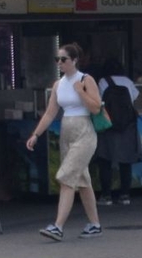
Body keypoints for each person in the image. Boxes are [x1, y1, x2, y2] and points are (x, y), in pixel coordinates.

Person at [25, 43, 105, 240]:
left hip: (84, 132)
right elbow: (51, 112)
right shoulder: (58, 84)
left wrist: (81, 92)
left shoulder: (86, 80)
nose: (60, 63)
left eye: (63, 59)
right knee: (82, 179)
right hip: (66, 133)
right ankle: (95, 224)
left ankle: (58, 226)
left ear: (75, 60)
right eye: (57, 60)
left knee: (66, 176)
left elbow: (96, 108)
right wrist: (36, 134)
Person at [95, 62, 141, 204]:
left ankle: (106, 195)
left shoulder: (103, 81)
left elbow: (98, 102)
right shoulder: (128, 81)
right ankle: (125, 195)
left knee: (105, 160)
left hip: (108, 125)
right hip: (127, 126)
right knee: (125, 161)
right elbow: (135, 99)